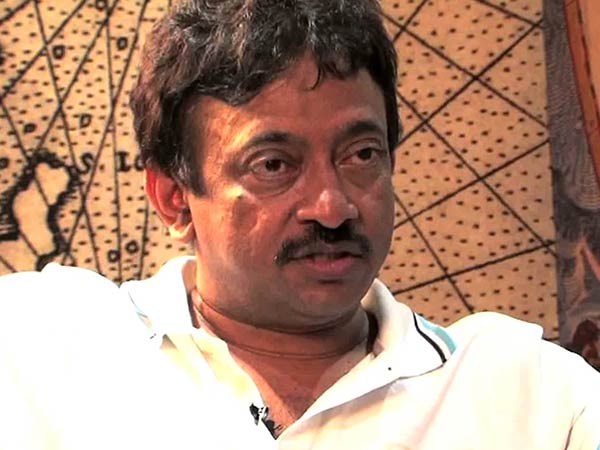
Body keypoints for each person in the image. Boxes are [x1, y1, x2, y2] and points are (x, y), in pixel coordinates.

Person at [0, 0, 599, 448]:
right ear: (174, 199)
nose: (332, 207)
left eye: (361, 154)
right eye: (274, 165)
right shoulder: (42, 345)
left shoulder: (533, 394)